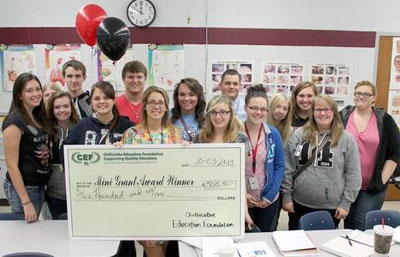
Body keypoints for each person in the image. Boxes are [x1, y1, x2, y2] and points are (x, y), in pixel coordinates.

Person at [281, 94, 361, 230]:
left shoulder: (346, 139)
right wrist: (286, 197)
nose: (322, 113)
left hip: (330, 207)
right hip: (298, 203)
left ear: (334, 112)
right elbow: (288, 167)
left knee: (323, 245)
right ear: (312, 112)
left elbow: (354, 174)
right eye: (318, 110)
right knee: (297, 245)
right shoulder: (299, 135)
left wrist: (346, 203)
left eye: (327, 109)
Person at [122, 86, 181, 257]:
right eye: (152, 102)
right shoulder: (132, 134)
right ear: (145, 106)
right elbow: (125, 169)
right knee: (153, 250)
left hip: (169, 202)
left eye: (161, 103)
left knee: (165, 249)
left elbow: (179, 165)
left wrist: (186, 150)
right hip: (143, 203)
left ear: (166, 107)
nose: (156, 106)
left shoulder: (174, 133)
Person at [340, 81, 400, 230]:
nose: (361, 97)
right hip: (346, 184)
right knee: (348, 222)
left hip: (372, 186)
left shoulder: (385, 120)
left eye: (366, 94)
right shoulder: (343, 116)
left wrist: (381, 180)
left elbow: (395, 153)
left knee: (363, 223)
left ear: (374, 98)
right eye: (358, 93)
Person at [192, 95, 254, 229]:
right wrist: (185, 150)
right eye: (213, 112)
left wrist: (244, 211)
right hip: (203, 200)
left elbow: (240, 178)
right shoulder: (200, 138)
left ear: (230, 114)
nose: (218, 117)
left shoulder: (240, 140)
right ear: (208, 115)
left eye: (223, 112)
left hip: (228, 201)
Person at [2, 73, 53, 222]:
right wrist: (26, 201)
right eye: (29, 90)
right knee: (24, 233)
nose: (36, 94)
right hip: (24, 189)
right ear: (19, 95)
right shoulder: (14, 122)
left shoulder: (37, 116)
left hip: (38, 186)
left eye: (38, 89)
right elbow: (11, 166)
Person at [243, 85, 285, 232]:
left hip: (268, 200)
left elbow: (280, 166)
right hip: (243, 199)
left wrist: (269, 196)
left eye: (263, 109)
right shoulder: (236, 134)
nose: (258, 112)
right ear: (245, 107)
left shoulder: (273, 134)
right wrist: (242, 195)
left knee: (266, 239)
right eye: (254, 108)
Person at [64, 81, 134, 146]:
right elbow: (65, 150)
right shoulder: (82, 126)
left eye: (106, 98)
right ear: (91, 102)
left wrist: (124, 150)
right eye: (97, 99)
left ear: (114, 100)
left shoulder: (128, 127)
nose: (102, 101)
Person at [46, 92, 79, 219]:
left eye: (65, 106)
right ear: (52, 109)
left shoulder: (81, 129)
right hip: (54, 195)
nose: (62, 110)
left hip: (78, 195)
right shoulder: (46, 130)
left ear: (71, 107)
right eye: (57, 107)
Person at [170, 78, 206, 142]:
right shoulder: (167, 117)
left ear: (198, 97)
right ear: (177, 97)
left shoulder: (207, 120)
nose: (186, 98)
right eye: (182, 94)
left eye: (191, 95)